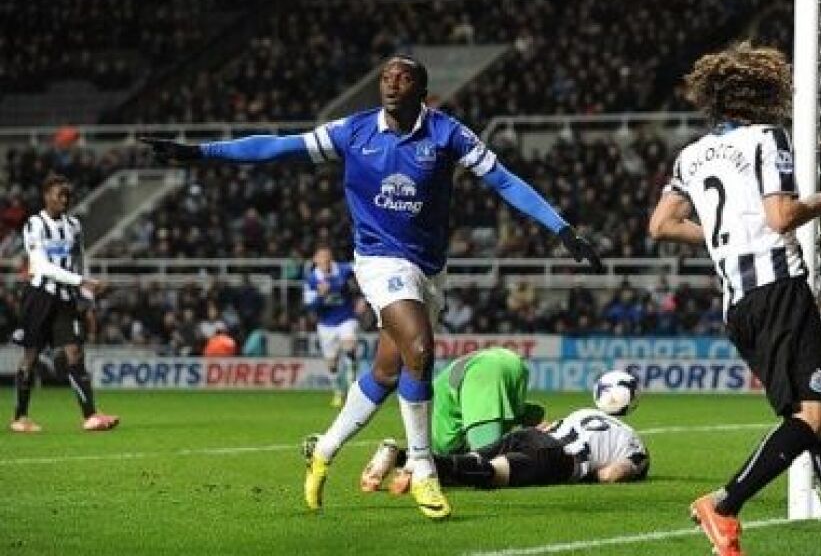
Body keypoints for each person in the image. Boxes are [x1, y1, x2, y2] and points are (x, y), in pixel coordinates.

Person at [142, 55, 601, 520]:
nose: (392, 84)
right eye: (386, 77)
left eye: (403, 78)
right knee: (420, 348)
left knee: (387, 371)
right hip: (379, 260)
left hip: (429, 268)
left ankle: (324, 449)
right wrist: (203, 153)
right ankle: (423, 468)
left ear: (421, 90)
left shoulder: (447, 133)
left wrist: (561, 228)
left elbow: (503, 180)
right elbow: (280, 146)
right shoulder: (353, 131)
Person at [648, 43, 821, 556]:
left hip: (739, 306)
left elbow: (661, 225)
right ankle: (724, 504)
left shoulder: (690, 155)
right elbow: (781, 216)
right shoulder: (769, 138)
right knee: (813, 420)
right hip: (779, 291)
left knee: (820, 426)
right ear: (763, 91)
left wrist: (724, 238)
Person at [10, 174, 119, 433]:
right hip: (39, 297)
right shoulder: (34, 224)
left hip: (66, 298)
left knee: (75, 352)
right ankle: (20, 417)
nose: (65, 199)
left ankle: (91, 416)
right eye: (60, 194)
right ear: (46, 195)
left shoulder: (74, 225)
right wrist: (82, 281)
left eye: (67, 195)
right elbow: (41, 266)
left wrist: (87, 297)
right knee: (31, 356)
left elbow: (80, 260)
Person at [359, 346, 546, 493]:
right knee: (487, 461)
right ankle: (401, 460)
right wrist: (538, 427)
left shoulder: (440, 438)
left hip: (479, 373)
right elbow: (526, 411)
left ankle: (403, 462)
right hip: (511, 362)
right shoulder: (440, 430)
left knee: (484, 467)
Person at [363, 407, 649, 492]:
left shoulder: (587, 412)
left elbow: (546, 426)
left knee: (469, 460)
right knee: (488, 474)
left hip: (530, 436)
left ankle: (403, 457)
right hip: (555, 458)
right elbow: (610, 475)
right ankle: (403, 460)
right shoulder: (637, 446)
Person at [303, 245, 360, 408]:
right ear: (315, 260)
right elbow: (309, 306)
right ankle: (338, 391)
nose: (325, 261)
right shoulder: (312, 279)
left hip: (346, 318)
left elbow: (362, 271)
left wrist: (362, 298)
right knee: (332, 363)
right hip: (326, 324)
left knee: (349, 346)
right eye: (321, 258)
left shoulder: (343, 270)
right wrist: (320, 296)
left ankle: (352, 384)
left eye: (327, 257)